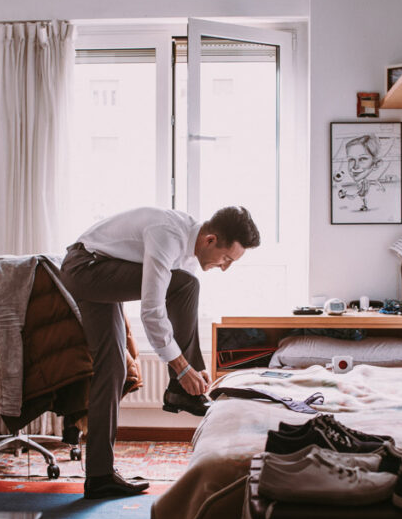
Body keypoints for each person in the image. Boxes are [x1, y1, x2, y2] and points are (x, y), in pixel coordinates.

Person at [59, 206, 261, 498]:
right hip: (85, 268)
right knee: (186, 284)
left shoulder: (189, 252)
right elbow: (152, 311)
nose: (225, 267)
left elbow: (177, 315)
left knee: (113, 368)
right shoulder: (167, 234)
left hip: (99, 269)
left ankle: (99, 476)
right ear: (210, 240)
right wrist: (181, 368)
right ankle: (180, 389)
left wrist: (192, 368)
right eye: (226, 258)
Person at [338, 134, 386, 212]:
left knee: (354, 196)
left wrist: (379, 186)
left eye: (363, 159)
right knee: (356, 196)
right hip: (361, 193)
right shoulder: (362, 184)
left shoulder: (379, 197)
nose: (355, 166)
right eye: (351, 159)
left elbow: (372, 182)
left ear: (376, 164)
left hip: (362, 193)